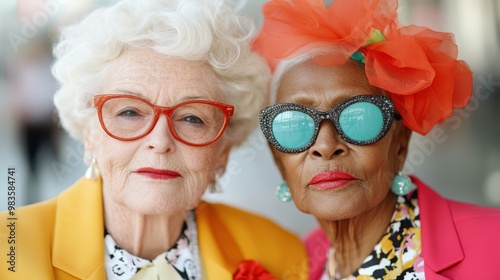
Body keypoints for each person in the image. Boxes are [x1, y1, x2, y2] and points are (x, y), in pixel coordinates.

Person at [0, 0, 308, 279]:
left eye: (192, 118)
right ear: (90, 134)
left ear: (223, 150)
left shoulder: (281, 255)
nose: (160, 141)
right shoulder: (7, 250)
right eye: (130, 112)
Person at [253, 0, 500, 279]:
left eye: (358, 116)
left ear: (400, 144)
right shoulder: (294, 265)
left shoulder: (494, 243)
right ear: (278, 159)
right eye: (294, 124)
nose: (325, 146)